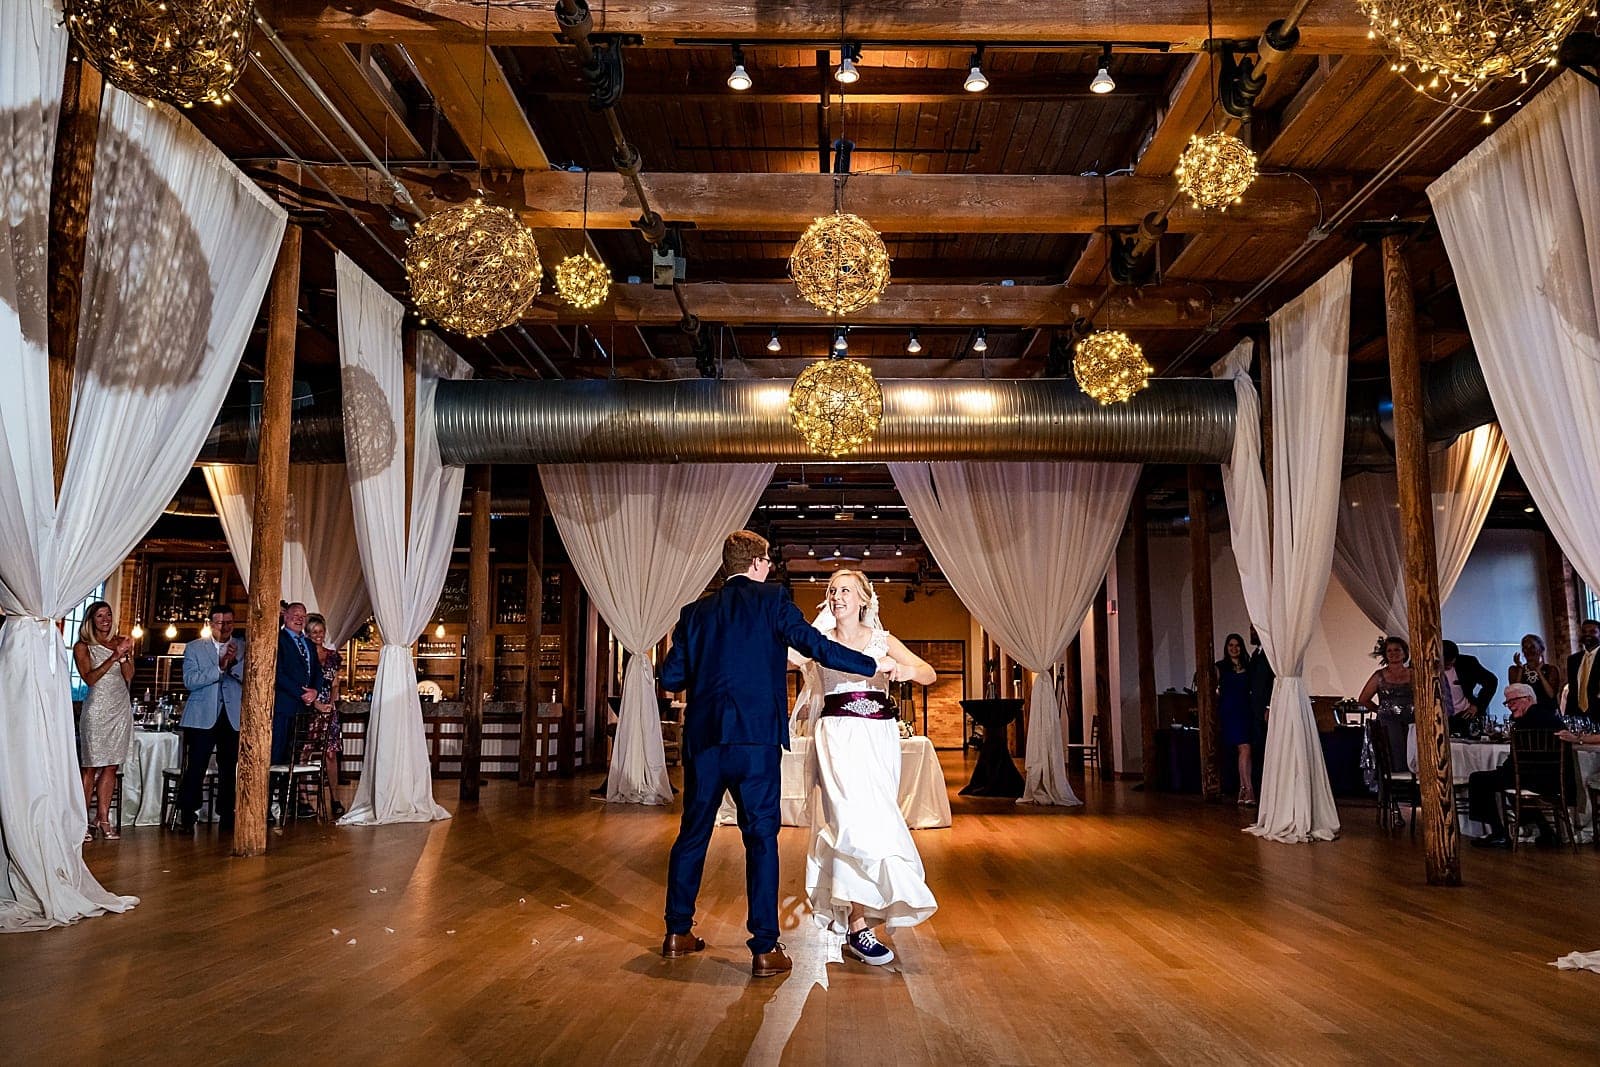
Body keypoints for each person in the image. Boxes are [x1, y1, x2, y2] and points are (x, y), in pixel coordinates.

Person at [658, 531, 887, 979]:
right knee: (761, 840)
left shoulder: (695, 612)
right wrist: (869, 664)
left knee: (692, 835)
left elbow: (671, 677)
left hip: (705, 742)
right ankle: (764, 948)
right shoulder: (773, 600)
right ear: (758, 563)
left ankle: (676, 932)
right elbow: (816, 646)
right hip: (756, 741)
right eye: (767, 562)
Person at [796, 569, 937, 967]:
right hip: (837, 737)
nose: (837, 596)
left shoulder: (882, 641)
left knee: (877, 823)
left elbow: (928, 673)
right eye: (832, 590)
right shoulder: (819, 640)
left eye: (845, 590)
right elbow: (787, 654)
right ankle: (858, 926)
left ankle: (871, 910)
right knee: (848, 824)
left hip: (878, 738)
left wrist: (905, 671)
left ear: (863, 599)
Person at [1468, 683, 1566, 848]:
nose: (1510, 706)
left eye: (1513, 701)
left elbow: (1518, 759)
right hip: (1556, 778)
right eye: (1507, 702)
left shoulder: (1523, 723)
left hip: (1532, 778)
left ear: (1528, 699)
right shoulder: (1553, 718)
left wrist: (1504, 770)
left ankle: (1498, 833)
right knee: (1510, 783)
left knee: (1479, 780)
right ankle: (1546, 831)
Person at [179, 605, 245, 831]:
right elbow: (190, 681)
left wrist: (232, 665)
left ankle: (227, 814)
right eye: (219, 623)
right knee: (196, 766)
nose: (224, 627)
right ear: (209, 624)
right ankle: (188, 814)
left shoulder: (243, 647)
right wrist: (219, 668)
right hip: (201, 716)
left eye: (229, 623)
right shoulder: (194, 648)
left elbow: (251, 677)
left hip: (231, 715)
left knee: (229, 767)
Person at [75, 601, 134, 841]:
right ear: (91, 620)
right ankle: (81, 822)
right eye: (100, 616)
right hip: (97, 710)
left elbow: (129, 676)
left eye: (108, 615)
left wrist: (124, 656)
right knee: (90, 766)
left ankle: (103, 819)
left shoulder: (119, 642)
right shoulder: (83, 646)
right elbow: (89, 679)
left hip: (120, 709)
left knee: (111, 766)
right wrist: (113, 657)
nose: (105, 619)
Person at [305, 613, 345, 817]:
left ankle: (335, 799)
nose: (318, 635)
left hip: (329, 709)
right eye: (313, 632)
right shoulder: (304, 655)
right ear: (307, 634)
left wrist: (331, 703)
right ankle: (303, 800)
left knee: (330, 754)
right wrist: (316, 704)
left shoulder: (333, 656)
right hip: (308, 708)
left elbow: (335, 683)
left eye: (320, 631)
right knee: (303, 753)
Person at [274, 602, 323, 768]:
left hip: (304, 709)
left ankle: (291, 786)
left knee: (295, 756)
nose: (299, 619)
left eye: (303, 616)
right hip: (284, 707)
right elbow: (278, 673)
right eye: (295, 615)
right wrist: (301, 693)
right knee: (278, 753)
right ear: (286, 617)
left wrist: (315, 691)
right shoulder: (278, 640)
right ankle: (274, 785)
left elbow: (318, 671)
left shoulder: (308, 643)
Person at [1359, 635, 1413, 771]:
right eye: (1389, 650)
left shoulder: (1414, 674)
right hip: (1388, 724)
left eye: (1397, 650)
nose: (1393, 653)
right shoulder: (1379, 676)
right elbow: (1363, 699)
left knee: (1413, 752)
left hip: (1412, 722)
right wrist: (1381, 710)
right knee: (1393, 754)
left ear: (1404, 653)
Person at [1214, 633, 1256, 807]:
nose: (1234, 648)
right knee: (1244, 748)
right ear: (1226, 647)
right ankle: (1249, 789)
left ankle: (1243, 789)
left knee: (1246, 751)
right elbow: (1212, 688)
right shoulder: (1220, 667)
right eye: (1230, 645)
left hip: (1245, 711)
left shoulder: (1248, 665)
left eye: (1237, 645)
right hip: (1230, 712)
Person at [1441, 640, 1498, 735]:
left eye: (1451, 661)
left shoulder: (1467, 663)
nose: (1448, 665)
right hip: (1438, 718)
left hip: (1464, 715)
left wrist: (1477, 706)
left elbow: (1491, 681)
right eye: (1445, 662)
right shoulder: (1426, 666)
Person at [1508, 633, 1562, 713]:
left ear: (1541, 650)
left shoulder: (1551, 670)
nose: (1528, 651)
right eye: (1525, 648)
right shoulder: (1515, 670)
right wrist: (1520, 669)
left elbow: (1551, 695)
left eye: (1532, 647)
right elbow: (1515, 695)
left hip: (1548, 714)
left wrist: (1539, 672)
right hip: (1525, 715)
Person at [1564, 619, 1600, 725]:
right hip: (1578, 716)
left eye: (1592, 632)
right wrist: (1568, 717)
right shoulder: (1573, 660)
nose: (1587, 635)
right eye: (1584, 632)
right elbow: (1573, 690)